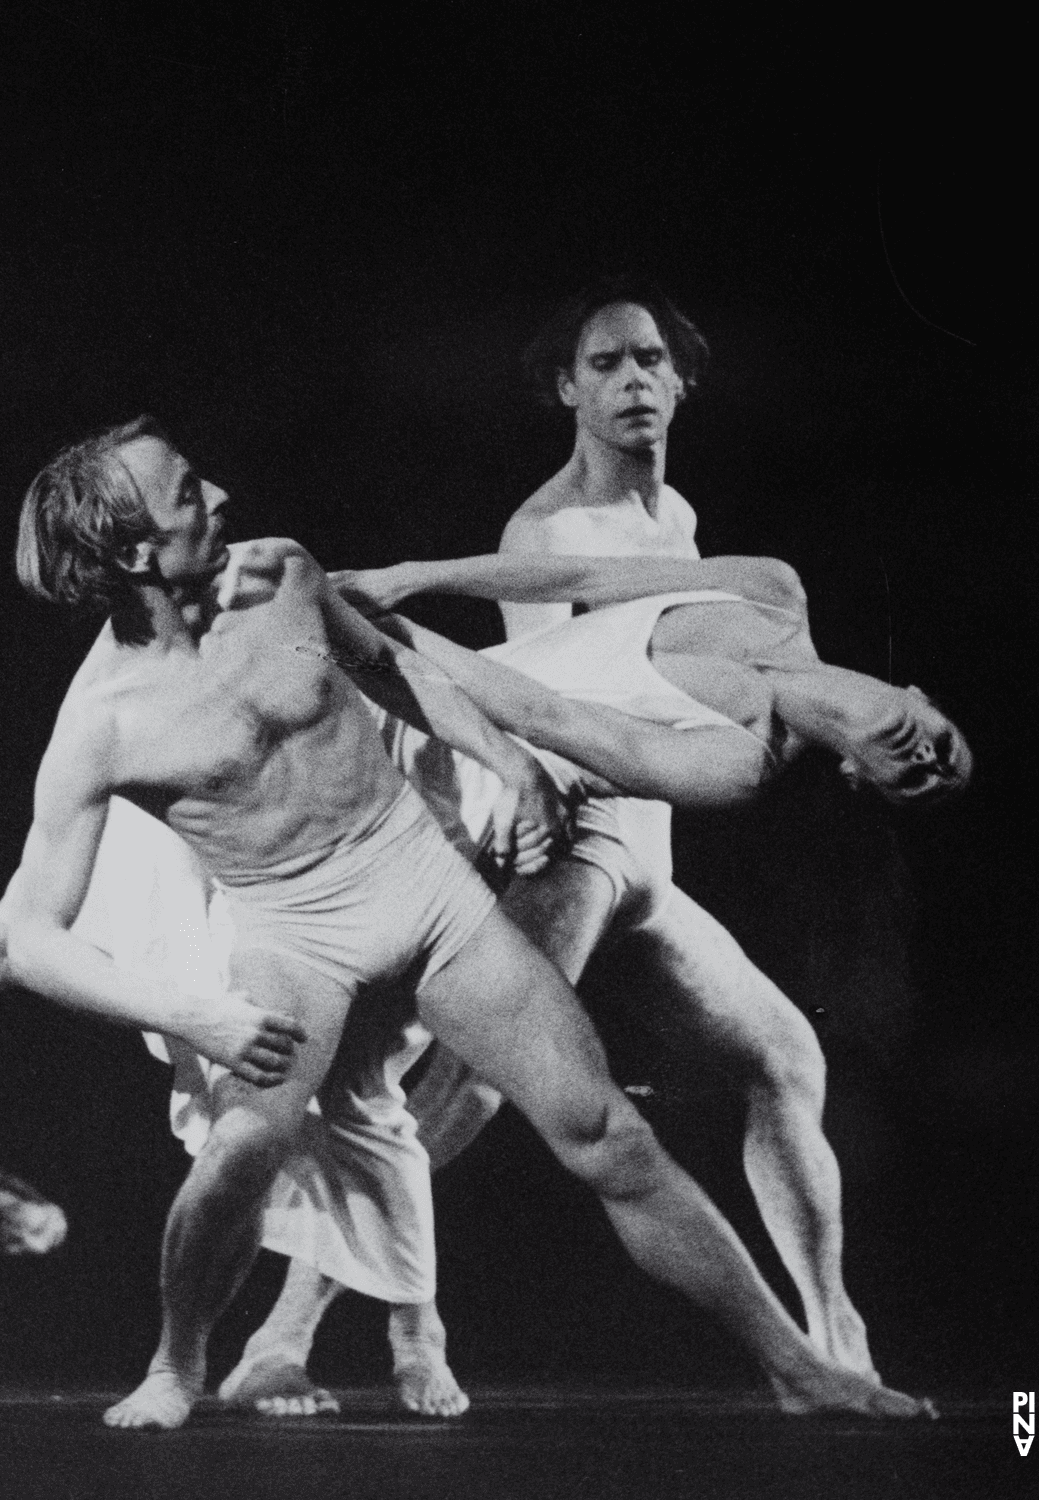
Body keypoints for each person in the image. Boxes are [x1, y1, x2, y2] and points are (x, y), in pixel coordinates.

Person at [4, 418, 933, 1428]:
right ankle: (176, 1365)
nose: (220, 492)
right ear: (134, 553)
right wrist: (200, 1018)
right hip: (295, 937)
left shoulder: (280, 574)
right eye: (187, 492)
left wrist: (507, 761)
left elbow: (399, 671)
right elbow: (30, 939)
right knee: (243, 1146)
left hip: (424, 888)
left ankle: (796, 1367)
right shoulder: (104, 723)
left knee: (606, 1133)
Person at [225, 282, 967, 1416]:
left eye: (651, 363)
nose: (634, 383)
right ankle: (287, 1329)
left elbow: (617, 647)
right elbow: (546, 690)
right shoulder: (613, 545)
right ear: (568, 387)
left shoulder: (716, 630)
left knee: (785, 1060)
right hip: (572, 834)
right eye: (610, 362)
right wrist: (406, 600)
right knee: (467, 1082)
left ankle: (834, 1338)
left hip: (641, 851)